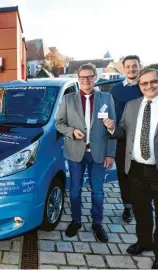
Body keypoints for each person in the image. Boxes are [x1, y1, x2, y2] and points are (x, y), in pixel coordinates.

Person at [104, 68, 158, 268]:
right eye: (144, 83)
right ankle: (144, 242)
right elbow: (122, 131)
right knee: (141, 211)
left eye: (153, 82)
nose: (149, 86)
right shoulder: (132, 105)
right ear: (139, 86)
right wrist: (111, 127)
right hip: (135, 168)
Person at [56, 63, 116, 242]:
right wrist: (72, 132)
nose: (86, 80)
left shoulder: (106, 99)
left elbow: (114, 129)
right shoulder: (68, 99)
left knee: (98, 192)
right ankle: (76, 220)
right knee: (75, 190)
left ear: (95, 78)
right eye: (83, 77)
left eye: (90, 77)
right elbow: (59, 124)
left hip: (98, 154)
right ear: (78, 79)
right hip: (76, 153)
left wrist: (110, 154)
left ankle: (97, 223)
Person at [109, 55, 143, 223]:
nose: (131, 69)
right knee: (124, 175)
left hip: (144, 139)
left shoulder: (145, 87)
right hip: (122, 140)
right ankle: (128, 208)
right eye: (128, 66)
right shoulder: (115, 90)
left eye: (134, 66)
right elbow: (110, 114)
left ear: (139, 66)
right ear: (123, 69)